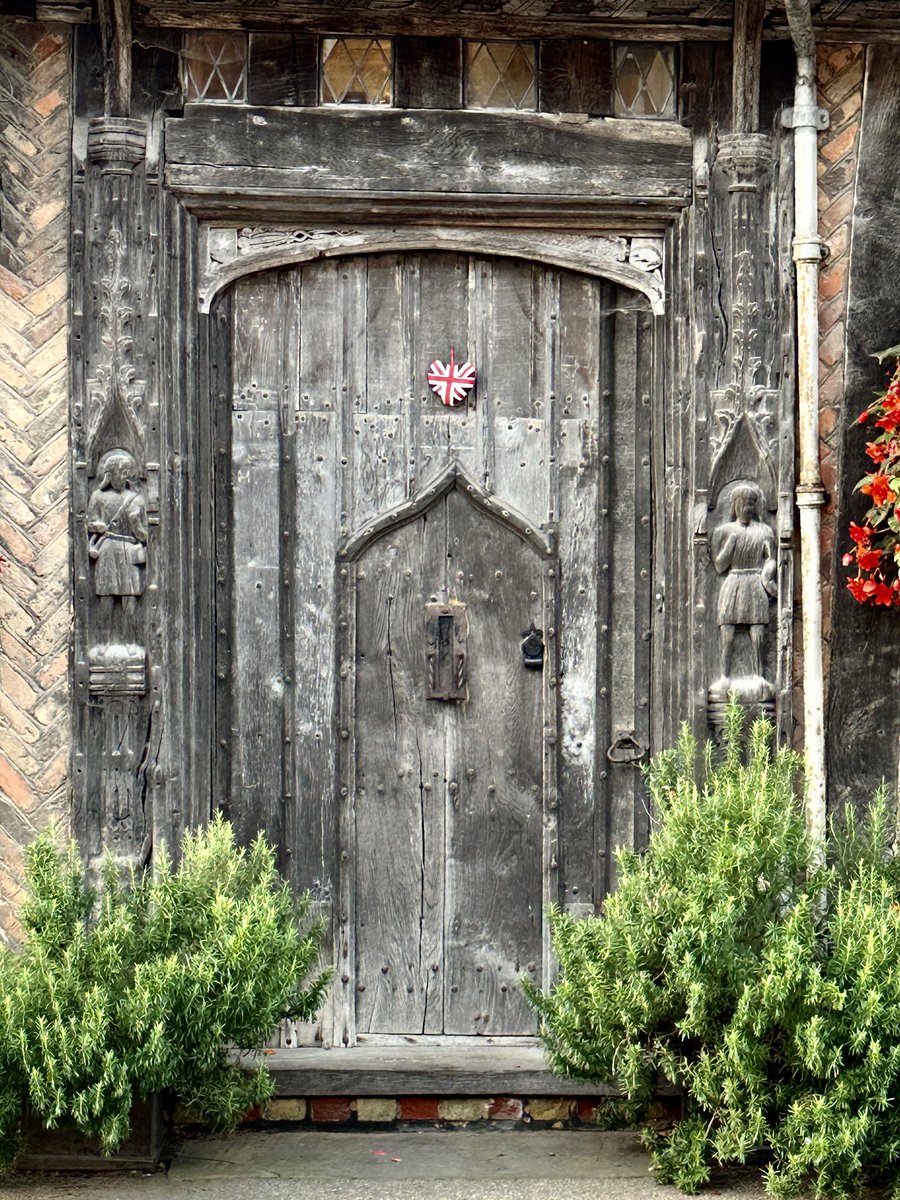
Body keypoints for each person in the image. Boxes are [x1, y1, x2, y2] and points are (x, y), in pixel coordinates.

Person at [711, 482, 776, 682]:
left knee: (757, 629)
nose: (747, 507)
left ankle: (759, 674)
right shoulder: (723, 531)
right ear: (735, 505)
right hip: (733, 582)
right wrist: (730, 545)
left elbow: (771, 558)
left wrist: (767, 573)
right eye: (743, 503)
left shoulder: (764, 531)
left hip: (755, 582)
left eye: (751, 503)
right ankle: (724, 676)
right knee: (727, 629)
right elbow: (719, 566)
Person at [88, 449, 147, 601]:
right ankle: (102, 625)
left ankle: (133, 625)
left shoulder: (137, 499)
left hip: (129, 550)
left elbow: (145, 536)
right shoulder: (98, 497)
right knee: (106, 595)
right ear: (109, 474)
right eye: (121, 471)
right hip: (107, 549)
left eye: (127, 472)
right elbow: (89, 524)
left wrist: (136, 523)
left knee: (130, 597)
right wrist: (97, 525)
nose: (124, 475)